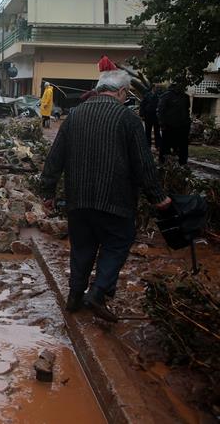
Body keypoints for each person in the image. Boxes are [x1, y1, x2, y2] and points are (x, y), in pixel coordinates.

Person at [41, 69, 171, 322]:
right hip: (116, 199)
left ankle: (75, 295)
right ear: (122, 92)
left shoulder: (75, 115)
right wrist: (158, 196)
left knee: (82, 246)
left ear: (100, 88)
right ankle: (98, 292)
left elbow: (55, 157)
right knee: (117, 242)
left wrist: (48, 191)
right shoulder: (128, 119)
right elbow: (143, 164)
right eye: (126, 94)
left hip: (78, 199)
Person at [157, 83, 191, 165]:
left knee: (183, 148)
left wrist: (187, 124)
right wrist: (162, 124)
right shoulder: (166, 96)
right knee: (165, 147)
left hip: (182, 127)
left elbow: (187, 110)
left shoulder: (185, 96)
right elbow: (160, 111)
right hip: (169, 126)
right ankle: (163, 164)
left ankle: (182, 164)